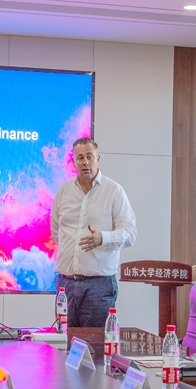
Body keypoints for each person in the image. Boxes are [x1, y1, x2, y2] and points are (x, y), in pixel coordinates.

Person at [51, 137, 136, 327]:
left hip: (99, 287)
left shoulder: (114, 191)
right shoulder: (64, 192)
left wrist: (103, 238)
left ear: (98, 159)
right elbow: (57, 233)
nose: (85, 162)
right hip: (66, 286)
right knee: (63, 342)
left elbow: (130, 233)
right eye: (80, 158)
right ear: (74, 162)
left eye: (90, 156)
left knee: (95, 343)